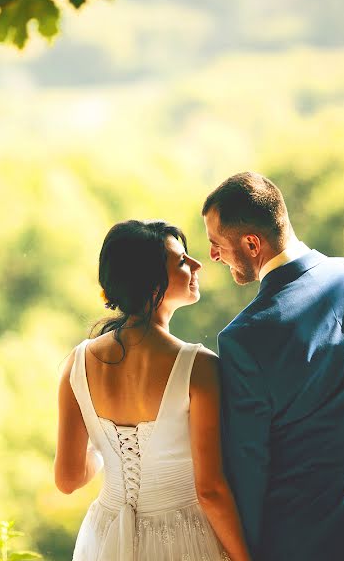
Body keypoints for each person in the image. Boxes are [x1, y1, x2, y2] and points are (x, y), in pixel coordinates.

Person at [201, 171, 344, 561]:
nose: (213, 255)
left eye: (216, 244)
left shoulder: (245, 337)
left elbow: (249, 467)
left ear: (251, 243)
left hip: (303, 542)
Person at [55, 219, 251, 561]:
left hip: (105, 538)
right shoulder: (198, 367)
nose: (197, 264)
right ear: (150, 282)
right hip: (184, 538)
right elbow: (210, 490)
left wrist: (106, 449)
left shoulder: (77, 363)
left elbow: (68, 479)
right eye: (181, 261)